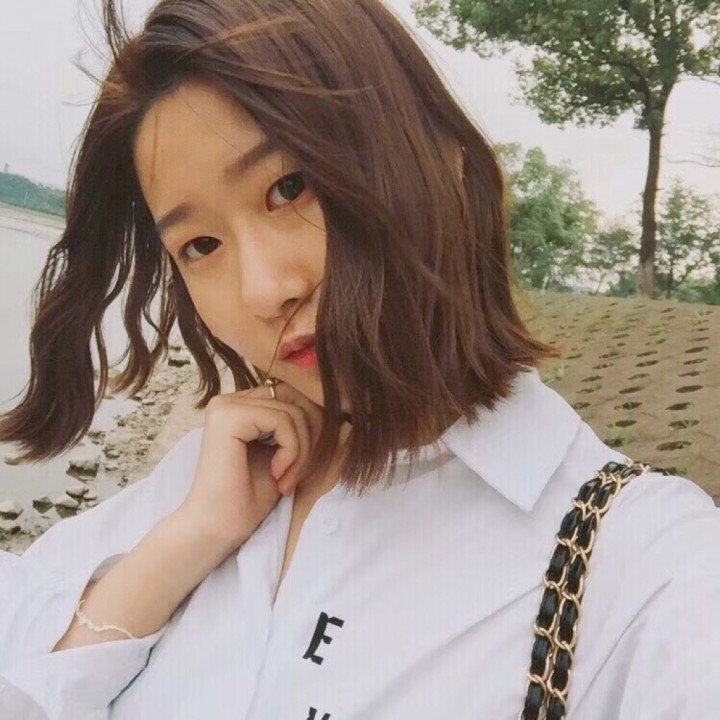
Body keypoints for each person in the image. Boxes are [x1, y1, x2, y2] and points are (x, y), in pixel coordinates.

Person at [0, 0, 718, 718]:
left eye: (289, 187)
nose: (263, 291)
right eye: (201, 246)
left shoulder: (642, 564)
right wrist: (181, 549)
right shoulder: (203, 484)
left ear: (434, 157)